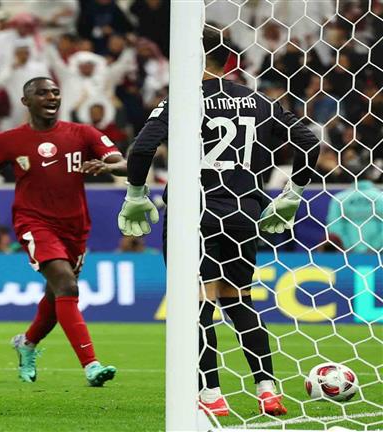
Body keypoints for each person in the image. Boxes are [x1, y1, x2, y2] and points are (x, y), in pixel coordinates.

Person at [117, 28, 319, 416]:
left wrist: (136, 194)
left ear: (190, 56)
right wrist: (292, 194)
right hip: (243, 214)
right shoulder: (260, 101)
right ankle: (267, 389)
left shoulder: (184, 100)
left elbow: (142, 148)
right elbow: (309, 142)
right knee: (238, 300)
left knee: (196, 304)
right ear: (229, 62)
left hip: (195, 215)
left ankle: (211, 394)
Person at [0, 77, 125, 386]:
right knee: (67, 285)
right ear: (26, 101)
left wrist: (109, 167)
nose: (51, 97)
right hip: (34, 222)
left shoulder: (83, 133)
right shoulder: (8, 140)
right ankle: (91, 366)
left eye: (55, 92)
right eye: (42, 93)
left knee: (56, 292)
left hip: (75, 226)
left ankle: (28, 343)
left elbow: (123, 163)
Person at [326, 173, 383, 254]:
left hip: (348, 253)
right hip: (378, 252)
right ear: (369, 177)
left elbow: (334, 225)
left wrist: (347, 246)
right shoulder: (380, 197)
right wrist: (376, 246)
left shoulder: (339, 198)